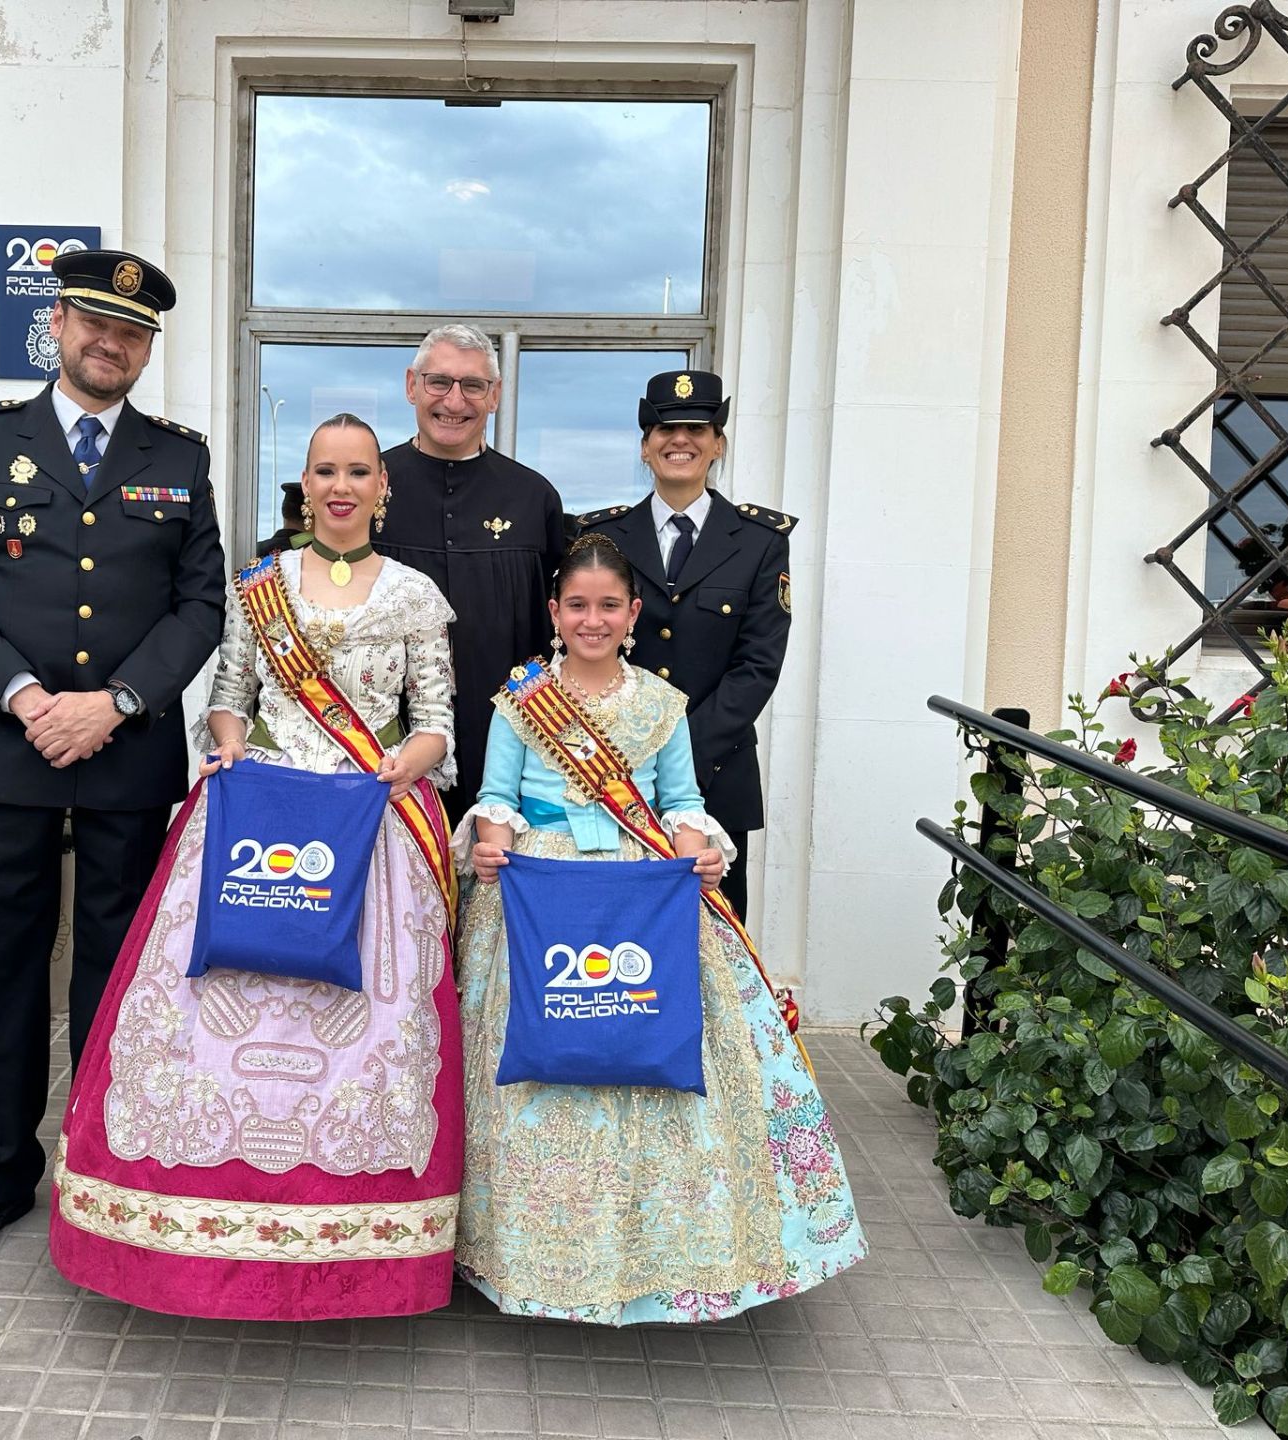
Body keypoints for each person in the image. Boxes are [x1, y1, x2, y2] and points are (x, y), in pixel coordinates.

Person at [49, 413, 464, 1320]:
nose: (342, 486)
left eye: (359, 471)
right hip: (261, 824)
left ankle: (362, 1245)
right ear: (305, 484)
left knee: (367, 1036)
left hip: (372, 820)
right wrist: (231, 745)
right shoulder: (260, 587)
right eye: (326, 471)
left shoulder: (417, 596)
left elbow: (437, 720)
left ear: (382, 486)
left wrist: (406, 763)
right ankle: (187, 1232)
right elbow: (229, 698)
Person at [452, 533, 864, 1324]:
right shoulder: (520, 702)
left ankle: (672, 1257)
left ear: (634, 613)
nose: (593, 619)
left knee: (652, 1043)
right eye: (578, 605)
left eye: (609, 605)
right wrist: (492, 844)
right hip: (542, 892)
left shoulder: (660, 705)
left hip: (639, 888)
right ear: (554, 612)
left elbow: (677, 802)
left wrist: (700, 852)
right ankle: (523, 1257)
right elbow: (495, 793)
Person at [0, 248, 226, 1277]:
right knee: (3, 970)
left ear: (148, 348)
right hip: (8, 754)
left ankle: (99, 1174)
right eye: (95, 323)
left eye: (132, 331)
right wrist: (30, 699)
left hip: (126, 758)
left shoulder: (182, 459)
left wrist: (119, 702)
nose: (112, 342)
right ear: (58, 324)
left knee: (115, 975)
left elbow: (199, 607)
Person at [576, 370, 791, 921]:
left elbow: (758, 665)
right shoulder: (600, 539)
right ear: (645, 447)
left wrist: (677, 754)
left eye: (697, 427)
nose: (681, 440)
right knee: (618, 928)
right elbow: (583, 647)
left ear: (718, 443)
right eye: (665, 429)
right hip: (615, 769)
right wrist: (630, 752)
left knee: (714, 935)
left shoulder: (760, 543)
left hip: (715, 772)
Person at [376, 324, 564, 822]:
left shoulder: (533, 498)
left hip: (505, 749)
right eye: (439, 382)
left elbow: (554, 636)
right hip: (386, 751)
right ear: (411, 385)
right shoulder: (369, 489)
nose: (454, 401)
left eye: (473, 385)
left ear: (495, 395)